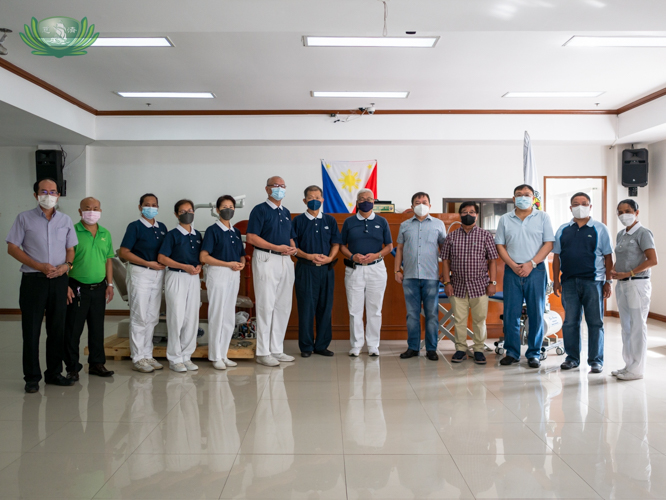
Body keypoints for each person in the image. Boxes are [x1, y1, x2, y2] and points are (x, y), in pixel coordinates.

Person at [6, 178, 77, 393]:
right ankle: (32, 377)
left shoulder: (65, 220)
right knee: (32, 329)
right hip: (33, 281)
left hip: (59, 280)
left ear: (58, 195)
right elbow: (12, 247)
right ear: (36, 195)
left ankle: (54, 373)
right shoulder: (24, 218)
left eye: (53, 191)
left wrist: (66, 266)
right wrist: (38, 265)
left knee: (57, 329)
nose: (49, 195)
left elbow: (71, 249)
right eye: (44, 191)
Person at [553, 192, 613, 373]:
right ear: (570, 208)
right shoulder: (563, 229)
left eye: (584, 203)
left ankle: (596, 360)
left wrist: (608, 281)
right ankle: (572, 358)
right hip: (569, 283)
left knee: (595, 322)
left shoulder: (600, 228)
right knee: (570, 322)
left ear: (590, 206)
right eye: (576, 204)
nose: (580, 206)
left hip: (593, 282)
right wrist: (556, 280)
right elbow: (556, 257)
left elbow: (609, 257)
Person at [495, 184, 554, 368]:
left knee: (535, 313)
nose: (522, 197)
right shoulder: (505, 219)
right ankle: (512, 352)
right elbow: (500, 246)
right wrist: (513, 265)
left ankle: (534, 353)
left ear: (533, 198)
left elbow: (548, 243)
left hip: (536, 271)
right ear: (513, 199)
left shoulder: (543, 217)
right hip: (512, 271)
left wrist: (531, 264)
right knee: (511, 314)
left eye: (527, 195)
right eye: (519, 195)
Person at [246, 176, 298, 367]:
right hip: (266, 258)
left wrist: (293, 249)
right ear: (267, 189)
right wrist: (277, 247)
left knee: (283, 306)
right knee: (265, 305)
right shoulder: (260, 210)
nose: (279, 189)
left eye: (283, 186)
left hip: (286, 260)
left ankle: (276, 348)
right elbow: (251, 237)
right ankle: (263, 351)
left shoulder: (286, 212)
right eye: (276, 186)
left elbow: (291, 238)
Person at [64, 197, 116, 380]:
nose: (92, 211)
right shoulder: (71, 231)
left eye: (95, 208)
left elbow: (108, 260)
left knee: (97, 328)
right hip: (77, 287)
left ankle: (97, 363)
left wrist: (109, 284)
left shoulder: (105, 233)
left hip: (99, 288)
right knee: (73, 329)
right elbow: (63, 259)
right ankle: (72, 367)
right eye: (87, 208)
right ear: (80, 211)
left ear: (100, 211)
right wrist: (65, 285)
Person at [440, 201, 498, 364]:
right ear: (460, 215)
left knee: (479, 320)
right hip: (457, 285)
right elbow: (445, 261)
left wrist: (492, 282)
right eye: (464, 212)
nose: (468, 214)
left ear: (477, 215)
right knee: (459, 320)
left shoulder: (485, 235)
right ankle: (460, 349)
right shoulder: (451, 236)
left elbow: (492, 260)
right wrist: (447, 282)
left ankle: (479, 349)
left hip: (480, 286)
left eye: (472, 212)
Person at [340, 188, 394, 357]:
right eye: (362, 199)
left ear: (373, 202)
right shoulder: (349, 222)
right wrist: (352, 256)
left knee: (375, 309)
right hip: (354, 269)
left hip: (376, 269)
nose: (365, 201)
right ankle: (356, 345)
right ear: (357, 203)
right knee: (354, 310)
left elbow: (389, 246)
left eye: (369, 198)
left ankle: (373, 345)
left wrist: (376, 255)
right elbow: (341, 246)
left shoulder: (382, 221)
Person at [118, 193, 167, 373]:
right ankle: (138, 357)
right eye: (147, 204)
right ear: (140, 207)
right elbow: (124, 252)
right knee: (140, 316)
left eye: (154, 204)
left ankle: (147, 354)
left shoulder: (162, 227)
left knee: (152, 316)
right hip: (140, 273)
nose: (151, 207)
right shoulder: (135, 227)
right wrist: (147, 263)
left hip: (157, 274)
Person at [610, 199, 658, 380]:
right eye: (620, 212)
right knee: (627, 327)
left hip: (638, 283)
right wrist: (615, 270)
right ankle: (628, 365)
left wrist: (629, 272)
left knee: (638, 326)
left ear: (637, 212)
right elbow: (621, 257)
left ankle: (637, 370)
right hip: (623, 284)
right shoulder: (621, 234)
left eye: (627, 211)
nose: (624, 215)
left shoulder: (644, 233)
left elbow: (653, 260)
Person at [395, 192, 446, 361]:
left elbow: (444, 251)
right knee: (412, 314)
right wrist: (397, 271)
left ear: (430, 206)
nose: (421, 204)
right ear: (412, 206)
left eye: (424, 202)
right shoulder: (405, 225)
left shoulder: (439, 224)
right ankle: (413, 348)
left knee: (431, 314)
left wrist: (445, 273)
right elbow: (399, 249)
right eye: (418, 202)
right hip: (409, 276)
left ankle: (431, 349)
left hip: (431, 277)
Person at [292, 185, 341, 357]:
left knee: (325, 308)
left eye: (317, 197)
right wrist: (308, 256)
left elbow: (336, 244)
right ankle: (306, 347)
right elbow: (294, 247)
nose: (314, 200)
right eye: (310, 197)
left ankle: (321, 345)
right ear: (304, 200)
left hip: (327, 270)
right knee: (306, 309)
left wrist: (330, 258)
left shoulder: (330, 221)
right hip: (306, 270)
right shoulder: (297, 221)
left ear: (322, 199)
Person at [200, 195, 246, 370]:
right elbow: (204, 257)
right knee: (217, 313)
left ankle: (223, 353)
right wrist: (228, 264)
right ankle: (215, 355)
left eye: (231, 207)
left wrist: (240, 263)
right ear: (218, 210)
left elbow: (241, 253)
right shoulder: (213, 230)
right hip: (218, 273)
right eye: (225, 207)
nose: (228, 209)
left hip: (234, 274)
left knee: (228, 315)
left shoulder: (235, 232)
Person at [158, 199, 203, 373]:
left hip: (193, 278)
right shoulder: (172, 235)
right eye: (183, 211)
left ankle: (187, 355)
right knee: (176, 317)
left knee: (191, 318)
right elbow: (162, 258)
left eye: (190, 210)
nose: (187, 214)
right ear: (176, 214)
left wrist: (199, 266)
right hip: (176, 277)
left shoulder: (197, 235)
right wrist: (184, 266)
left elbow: (199, 257)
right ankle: (175, 358)